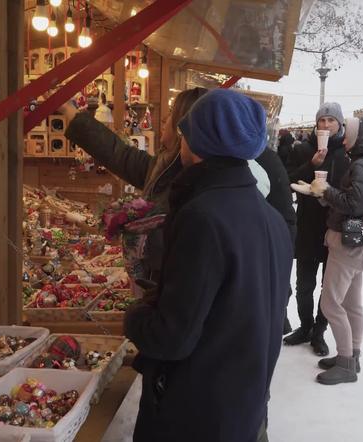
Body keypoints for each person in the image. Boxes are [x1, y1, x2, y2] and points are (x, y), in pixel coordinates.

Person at [124, 89, 293, 442]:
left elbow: (173, 337)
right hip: (242, 409)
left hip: (195, 416)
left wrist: (135, 316)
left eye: (184, 134)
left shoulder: (202, 217)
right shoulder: (271, 218)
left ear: (198, 144)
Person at [59, 88, 269, 283]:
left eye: (171, 114)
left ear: (186, 128)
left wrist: (136, 228)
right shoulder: (166, 167)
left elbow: (185, 279)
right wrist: (70, 112)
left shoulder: (197, 191)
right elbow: (120, 155)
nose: (164, 120)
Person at [306, 116, 363, 384]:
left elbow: (355, 203)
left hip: (346, 243)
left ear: (361, 138)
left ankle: (345, 363)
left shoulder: (362, 165)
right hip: (356, 242)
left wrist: (327, 191)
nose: (344, 139)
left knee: (331, 303)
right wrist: (325, 195)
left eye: (349, 134)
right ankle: (352, 355)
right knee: (352, 304)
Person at [284, 102, 350, 356]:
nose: (325, 125)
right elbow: (288, 181)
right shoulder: (302, 148)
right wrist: (312, 164)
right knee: (304, 283)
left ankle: (319, 332)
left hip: (334, 227)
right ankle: (305, 326)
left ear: (339, 124)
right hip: (307, 225)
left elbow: (351, 191)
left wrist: (331, 195)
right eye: (322, 120)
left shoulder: (346, 153)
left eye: (331, 120)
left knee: (328, 285)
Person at [255, 146, 297, 334]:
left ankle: (279, 319)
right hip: (279, 230)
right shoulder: (265, 156)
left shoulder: (263, 159)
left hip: (275, 232)